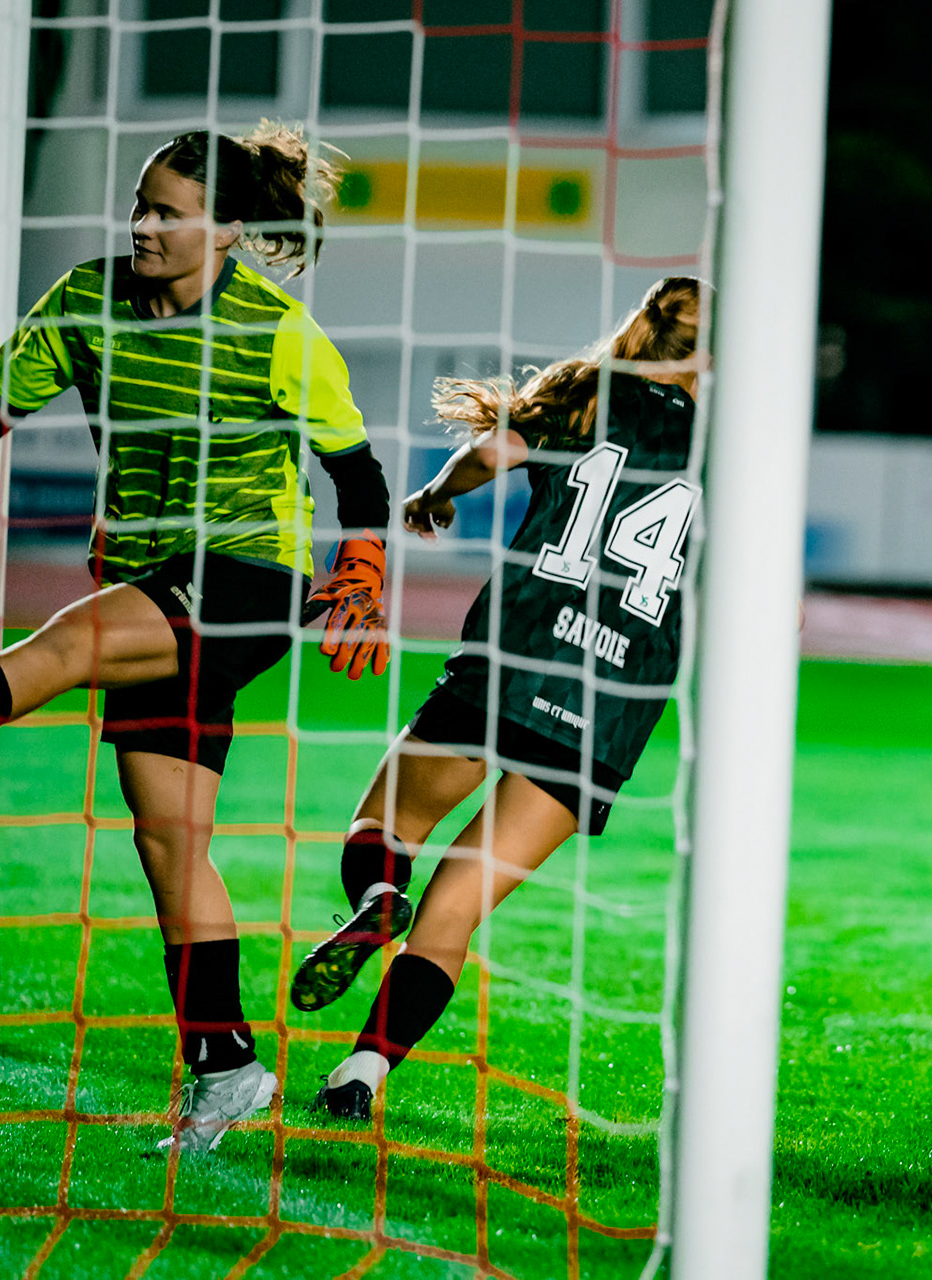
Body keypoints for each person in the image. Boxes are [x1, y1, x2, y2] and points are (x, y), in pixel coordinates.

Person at [0, 123, 392, 1149]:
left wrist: (365, 562)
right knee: (169, 844)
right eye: (140, 205)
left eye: (169, 212)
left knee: (56, 654)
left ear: (227, 229)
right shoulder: (87, 299)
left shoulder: (278, 333)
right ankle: (229, 1068)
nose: (145, 226)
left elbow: (356, 469)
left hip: (248, 574)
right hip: (148, 573)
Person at [286, 277, 704, 1120]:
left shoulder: (588, 392)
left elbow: (493, 453)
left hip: (516, 657)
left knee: (387, 823)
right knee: (455, 912)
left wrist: (434, 495)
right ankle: (362, 1072)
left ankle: (375, 902)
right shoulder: (729, 450)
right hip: (610, 704)